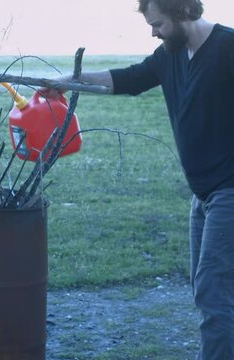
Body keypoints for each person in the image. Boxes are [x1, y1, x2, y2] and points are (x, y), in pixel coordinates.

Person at [47, 0, 234, 358]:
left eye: (158, 24)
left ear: (182, 13)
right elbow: (126, 79)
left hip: (230, 191)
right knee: (209, 289)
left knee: (213, 291)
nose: (153, 32)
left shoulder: (228, 48)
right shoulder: (169, 56)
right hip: (203, 195)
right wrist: (65, 81)